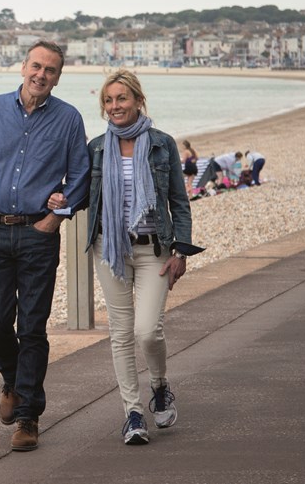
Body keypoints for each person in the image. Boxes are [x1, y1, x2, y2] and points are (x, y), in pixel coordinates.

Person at [0, 40, 91, 452]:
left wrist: (56, 216)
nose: (41, 75)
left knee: (32, 326)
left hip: (38, 236)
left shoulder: (68, 119)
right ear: (22, 67)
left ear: (58, 77)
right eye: (36, 66)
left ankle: (28, 416)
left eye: (50, 70)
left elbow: (80, 176)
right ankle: (11, 382)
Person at [83, 69, 204, 446]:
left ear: (138, 100)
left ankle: (159, 384)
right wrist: (56, 199)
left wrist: (181, 250)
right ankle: (133, 413)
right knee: (120, 334)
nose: (115, 106)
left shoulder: (161, 144)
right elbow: (81, 193)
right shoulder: (96, 147)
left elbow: (178, 203)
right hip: (110, 248)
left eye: (121, 98)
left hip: (154, 249)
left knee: (147, 331)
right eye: (108, 100)